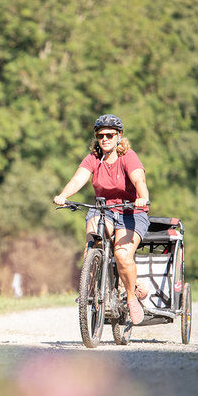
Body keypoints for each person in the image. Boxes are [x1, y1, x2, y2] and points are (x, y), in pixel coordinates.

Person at [53, 114, 150, 325]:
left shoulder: (128, 156)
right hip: (103, 210)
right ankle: (91, 287)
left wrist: (143, 197)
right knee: (92, 242)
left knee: (122, 255)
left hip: (130, 212)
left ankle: (131, 297)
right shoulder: (93, 158)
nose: (104, 139)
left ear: (118, 136)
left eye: (109, 135)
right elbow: (79, 178)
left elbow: (138, 178)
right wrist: (63, 196)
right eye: (100, 135)